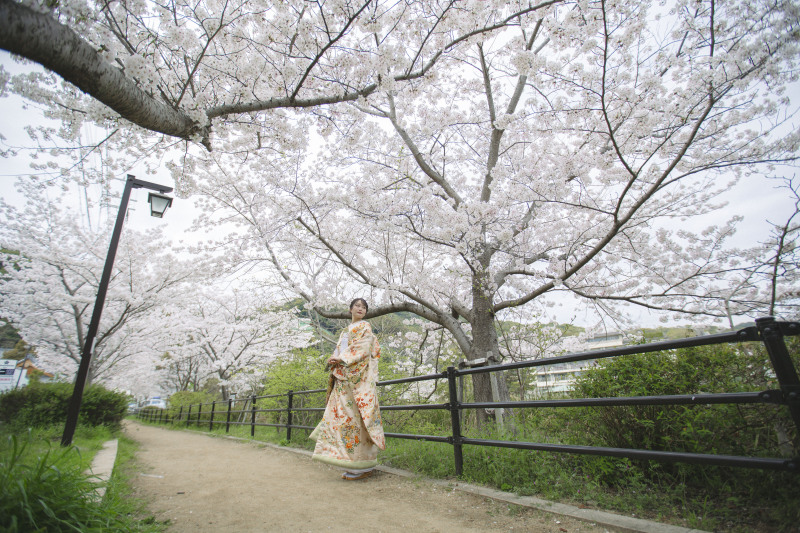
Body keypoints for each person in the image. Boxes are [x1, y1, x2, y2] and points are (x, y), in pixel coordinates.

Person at [310, 298, 386, 480]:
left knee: (357, 420)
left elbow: (363, 348)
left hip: (356, 382)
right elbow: (340, 351)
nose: (360, 309)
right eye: (357, 306)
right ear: (351, 309)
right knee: (343, 421)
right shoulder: (345, 331)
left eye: (364, 307)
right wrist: (333, 358)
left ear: (366, 312)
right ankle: (354, 463)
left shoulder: (365, 327)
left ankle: (361, 465)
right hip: (343, 380)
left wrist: (342, 359)